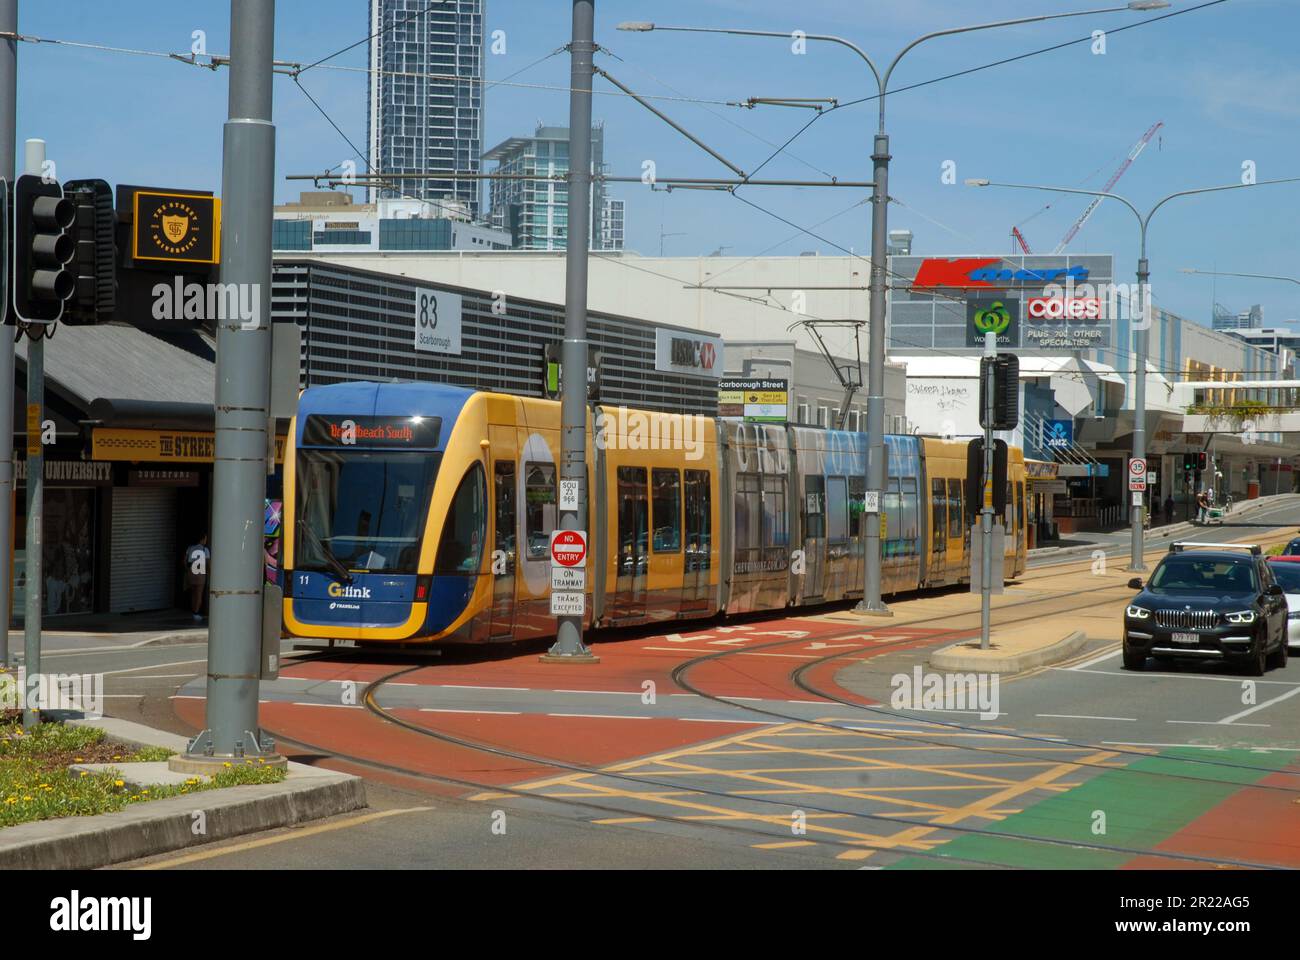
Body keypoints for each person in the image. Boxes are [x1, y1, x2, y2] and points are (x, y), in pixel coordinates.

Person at [183, 535, 210, 622]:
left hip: (191, 572)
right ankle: (196, 613)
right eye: (205, 538)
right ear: (202, 539)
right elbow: (208, 563)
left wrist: (187, 570)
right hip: (200, 572)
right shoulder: (205, 550)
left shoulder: (190, 548)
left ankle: (193, 611)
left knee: (193, 593)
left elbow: (185, 561)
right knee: (199, 594)